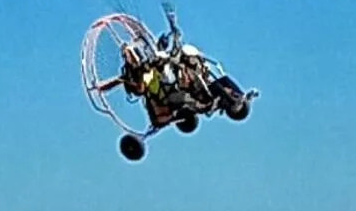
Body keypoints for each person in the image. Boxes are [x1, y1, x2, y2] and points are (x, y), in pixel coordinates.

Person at [106, 21, 254, 147]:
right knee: (211, 84)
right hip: (173, 87)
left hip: (171, 87)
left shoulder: (153, 89)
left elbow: (153, 90)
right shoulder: (147, 80)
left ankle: (234, 97)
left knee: (155, 75)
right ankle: (234, 97)